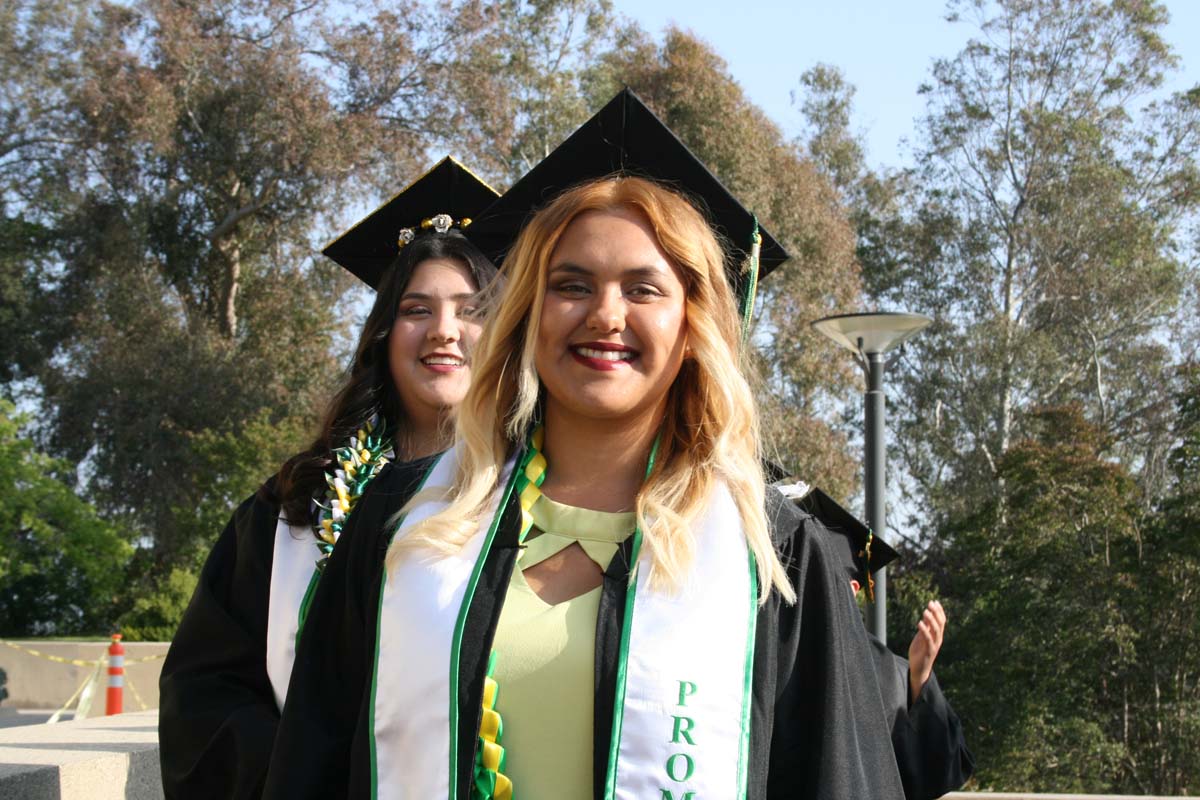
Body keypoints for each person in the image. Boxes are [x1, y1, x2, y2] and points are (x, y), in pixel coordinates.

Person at [265, 89, 903, 800]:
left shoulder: (771, 557)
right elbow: (312, 766)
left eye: (643, 289)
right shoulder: (404, 523)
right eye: (570, 285)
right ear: (528, 316)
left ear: (692, 327)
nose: (605, 315)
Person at [158, 157, 500, 800]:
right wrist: (304, 771)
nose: (444, 331)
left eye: (471, 309)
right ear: (383, 336)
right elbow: (202, 691)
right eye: (416, 309)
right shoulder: (291, 508)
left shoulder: (540, 493)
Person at [787, 483, 976, 800]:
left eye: (823, 578)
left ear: (853, 588)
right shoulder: (768, 651)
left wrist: (920, 679)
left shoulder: (891, 675)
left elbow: (941, 773)